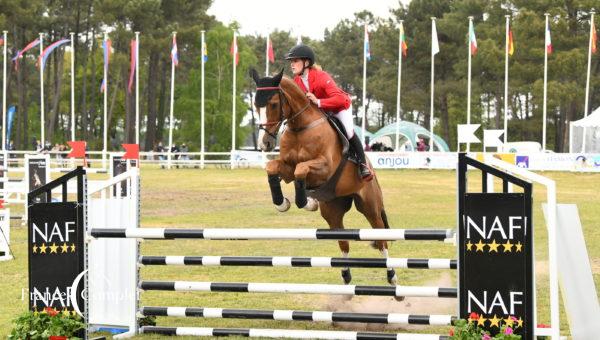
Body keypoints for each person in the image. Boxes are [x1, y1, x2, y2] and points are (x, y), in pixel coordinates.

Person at [285, 44, 372, 181]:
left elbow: (338, 98)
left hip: (339, 107)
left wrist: (318, 101)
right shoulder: (297, 81)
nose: (292, 64)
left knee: (348, 132)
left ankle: (363, 164)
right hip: (321, 112)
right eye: (291, 61)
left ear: (306, 62)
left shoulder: (321, 77)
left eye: (295, 61)